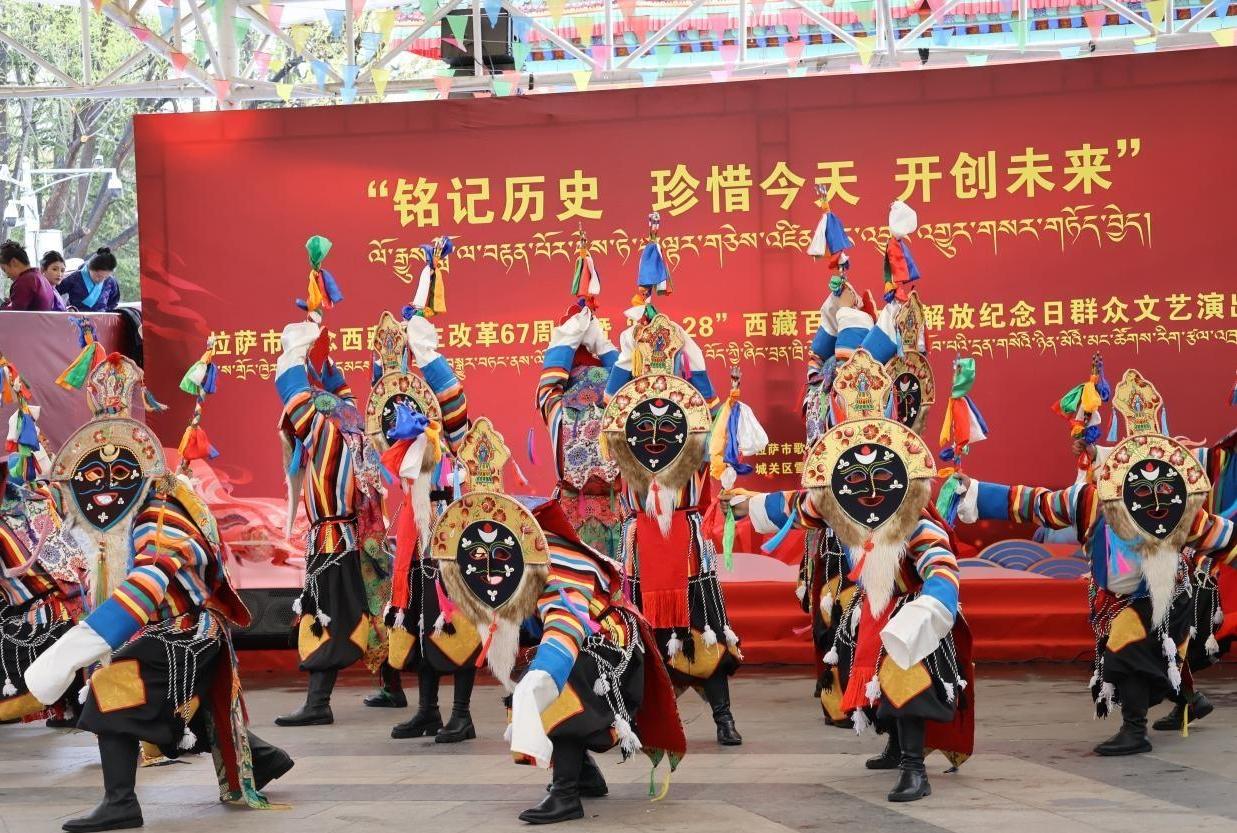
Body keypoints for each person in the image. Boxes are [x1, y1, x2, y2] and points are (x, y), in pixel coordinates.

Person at [23, 350, 292, 832]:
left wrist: (70, 650)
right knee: (196, 706)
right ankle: (263, 758)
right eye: (90, 477)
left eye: (118, 475)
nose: (103, 488)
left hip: (184, 630)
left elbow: (148, 583)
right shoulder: (137, 516)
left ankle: (120, 802)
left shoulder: (160, 518)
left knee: (112, 687)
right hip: (179, 629)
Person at [732, 348, 973, 802]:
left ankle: (914, 768)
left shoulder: (916, 522)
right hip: (869, 609)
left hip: (912, 611)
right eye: (855, 480)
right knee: (859, 664)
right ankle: (895, 744)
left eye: (882, 478)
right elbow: (796, 506)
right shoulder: (837, 507)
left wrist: (929, 607)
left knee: (905, 672)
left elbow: (941, 566)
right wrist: (745, 505)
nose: (869, 490)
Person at [954, 368, 1235, 757]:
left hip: (1166, 595)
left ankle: (1135, 731)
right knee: (1139, 650)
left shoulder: (1177, 508)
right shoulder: (1089, 498)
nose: (1150, 495)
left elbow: (1223, 538)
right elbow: (1035, 503)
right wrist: (973, 491)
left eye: (1159, 484)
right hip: (1114, 593)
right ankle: (1185, 701)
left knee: (1129, 649)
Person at [427, 418, 685, 825]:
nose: (485, 560)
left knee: (555, 680)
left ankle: (566, 794)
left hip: (607, 654)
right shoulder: (502, 559)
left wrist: (539, 677)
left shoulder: (553, 561)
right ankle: (582, 773)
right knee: (532, 667)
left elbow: (565, 628)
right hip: (578, 643)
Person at [600, 291, 745, 746]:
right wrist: (625, 354)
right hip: (641, 541)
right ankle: (643, 718)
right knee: (641, 633)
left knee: (704, 626)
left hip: (686, 538)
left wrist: (698, 367)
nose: (656, 432)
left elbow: (712, 417)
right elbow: (610, 405)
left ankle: (723, 717)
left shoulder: (698, 429)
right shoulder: (619, 429)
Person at [273, 236, 387, 727]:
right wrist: (316, 342)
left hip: (331, 534)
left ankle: (318, 704)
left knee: (325, 612)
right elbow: (325, 382)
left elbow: (294, 392)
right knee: (368, 606)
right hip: (357, 534)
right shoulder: (349, 413)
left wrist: (295, 352)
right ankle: (396, 689)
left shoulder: (317, 417)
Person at [367, 301, 483, 743]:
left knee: (456, 621)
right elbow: (380, 415)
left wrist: (425, 349)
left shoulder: (453, 433)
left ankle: (462, 714)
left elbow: (449, 396)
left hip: (452, 538)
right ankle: (428, 710)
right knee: (417, 618)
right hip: (416, 540)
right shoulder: (402, 446)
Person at [1, 240, 60, 311]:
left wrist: (3, 306)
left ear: (14, 262)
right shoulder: (40, 277)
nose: (7, 276)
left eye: (4, 270)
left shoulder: (24, 281)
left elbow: (14, 314)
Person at [59, 247, 120, 312]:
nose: (101, 280)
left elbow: (113, 301)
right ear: (90, 268)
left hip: (101, 319)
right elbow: (56, 291)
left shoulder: (111, 281)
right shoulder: (75, 278)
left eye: (105, 277)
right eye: (98, 276)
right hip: (75, 319)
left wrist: (106, 312)